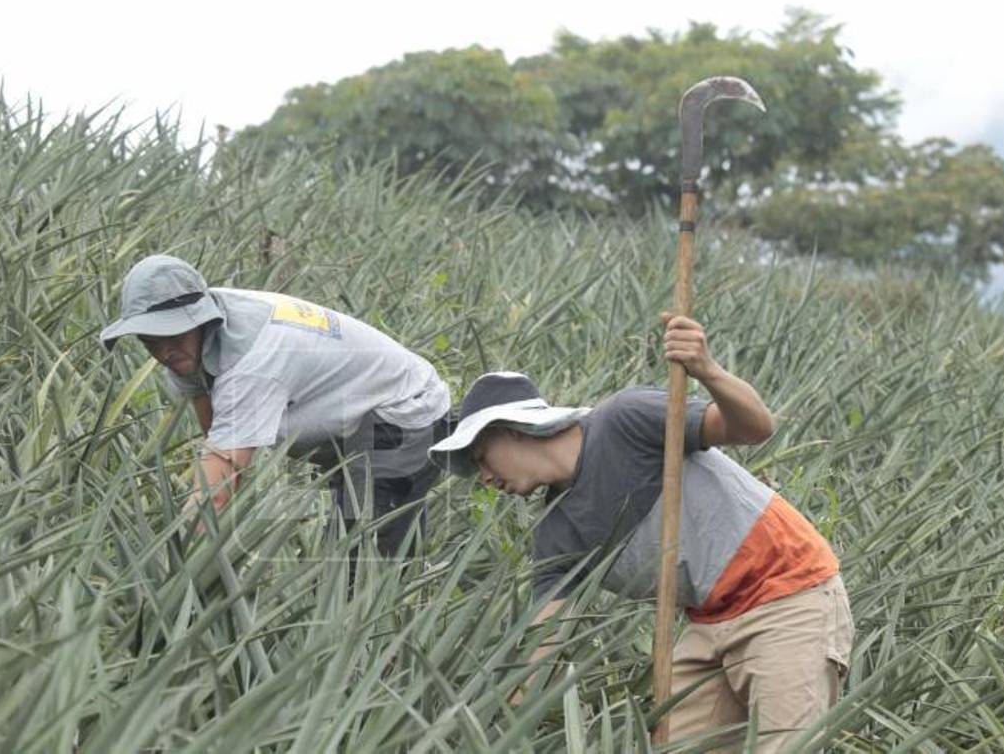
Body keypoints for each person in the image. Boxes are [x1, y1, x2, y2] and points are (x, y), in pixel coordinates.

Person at [428, 313, 853, 751]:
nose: (483, 478)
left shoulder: (625, 420)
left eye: (481, 458)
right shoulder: (557, 533)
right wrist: (498, 729)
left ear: (513, 431)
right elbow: (542, 643)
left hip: (787, 593)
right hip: (711, 619)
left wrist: (706, 368)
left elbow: (754, 428)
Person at [100, 254, 452, 557]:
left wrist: (175, 563)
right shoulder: (189, 347)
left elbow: (216, 493)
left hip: (405, 412)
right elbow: (218, 438)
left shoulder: (251, 364)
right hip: (356, 415)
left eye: (172, 337)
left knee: (354, 558)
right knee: (362, 539)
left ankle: (389, 617)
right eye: (150, 342)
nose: (163, 353)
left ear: (201, 319)